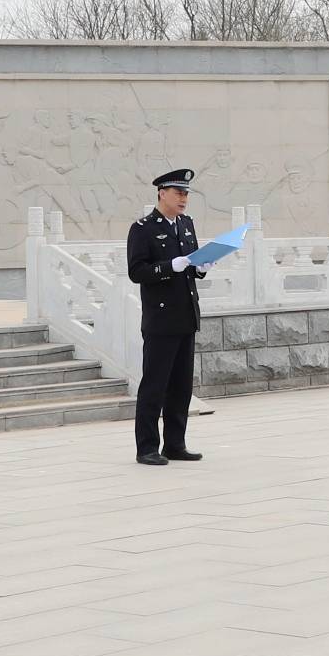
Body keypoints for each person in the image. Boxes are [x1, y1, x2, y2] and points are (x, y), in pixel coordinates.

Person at [126, 169, 204, 465]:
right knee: (155, 385)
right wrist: (171, 265)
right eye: (178, 193)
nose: (183, 198)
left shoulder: (186, 225)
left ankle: (175, 443)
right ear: (161, 193)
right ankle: (146, 447)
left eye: (186, 194)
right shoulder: (143, 228)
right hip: (161, 319)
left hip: (186, 315)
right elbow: (137, 272)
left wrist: (201, 265)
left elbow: (192, 265)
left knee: (182, 385)